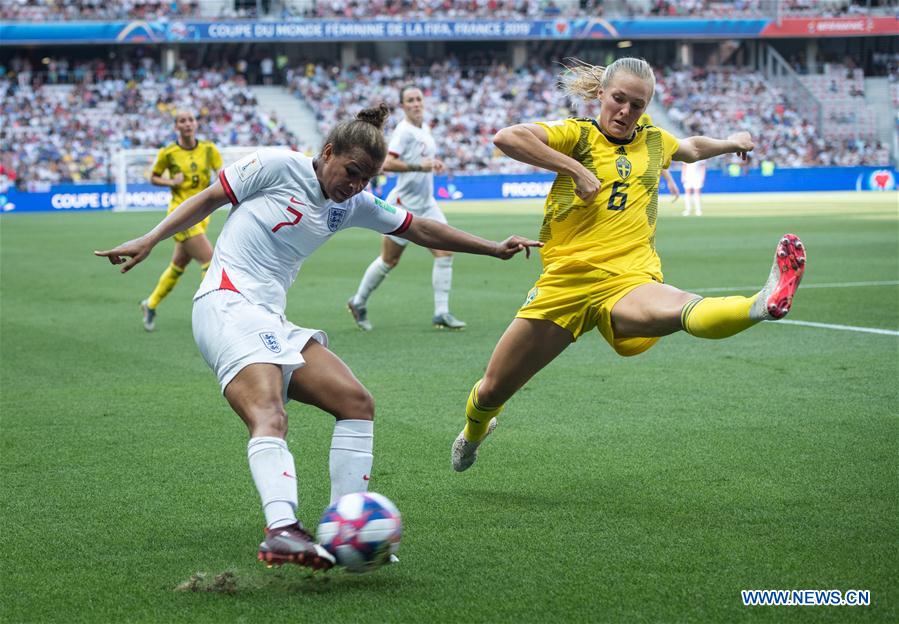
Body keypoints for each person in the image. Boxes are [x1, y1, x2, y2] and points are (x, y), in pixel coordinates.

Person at [96, 104, 540, 570]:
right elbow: (208, 199)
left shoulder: (351, 204)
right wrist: (150, 238)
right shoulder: (276, 165)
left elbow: (420, 226)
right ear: (327, 153)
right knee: (269, 412)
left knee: (356, 403)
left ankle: (342, 527)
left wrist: (493, 248)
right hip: (226, 303)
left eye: (366, 179)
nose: (356, 186)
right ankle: (281, 530)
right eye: (351, 172)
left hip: (269, 317)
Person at [450, 58, 806, 472]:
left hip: (630, 277)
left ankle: (761, 304)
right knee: (494, 389)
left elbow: (689, 149)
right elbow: (507, 137)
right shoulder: (578, 134)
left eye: (637, 105)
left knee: (682, 308)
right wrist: (576, 168)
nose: (625, 111)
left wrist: (732, 141)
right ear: (600, 94)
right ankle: (474, 432)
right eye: (618, 99)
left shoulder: (653, 140)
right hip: (566, 283)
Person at [347, 85, 466, 331]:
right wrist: (418, 166)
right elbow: (386, 164)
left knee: (445, 253)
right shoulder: (404, 131)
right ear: (403, 106)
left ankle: (441, 312)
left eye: (418, 99)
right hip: (404, 205)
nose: (415, 103)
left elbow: (423, 160)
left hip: (427, 203)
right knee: (389, 260)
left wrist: (432, 164)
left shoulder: (425, 129)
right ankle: (358, 302)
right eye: (410, 100)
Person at [141, 109, 223, 331]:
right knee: (210, 261)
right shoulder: (168, 153)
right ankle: (211, 314)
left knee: (178, 266)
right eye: (182, 121)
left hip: (202, 214)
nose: (187, 124)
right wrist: (171, 182)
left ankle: (150, 304)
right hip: (180, 215)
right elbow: (153, 177)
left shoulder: (209, 149)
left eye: (191, 120)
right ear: (176, 126)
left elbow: (222, 173)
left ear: (196, 124)